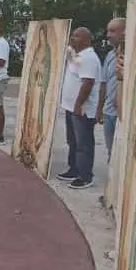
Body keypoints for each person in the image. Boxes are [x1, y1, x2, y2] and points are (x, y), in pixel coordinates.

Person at [57, 27, 101, 188]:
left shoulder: (88, 57)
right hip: (71, 107)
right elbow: (69, 56)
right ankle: (74, 169)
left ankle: (85, 176)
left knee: (83, 143)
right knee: (73, 141)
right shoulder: (78, 56)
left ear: (87, 40)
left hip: (82, 109)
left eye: (76, 36)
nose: (72, 38)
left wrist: (78, 104)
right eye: (72, 35)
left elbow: (88, 83)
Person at [96, 17, 125, 161]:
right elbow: (103, 83)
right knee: (111, 154)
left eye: (112, 31)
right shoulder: (109, 55)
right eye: (108, 31)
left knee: (124, 155)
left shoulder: (135, 56)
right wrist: (99, 108)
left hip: (125, 115)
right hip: (109, 113)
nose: (108, 35)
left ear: (124, 33)